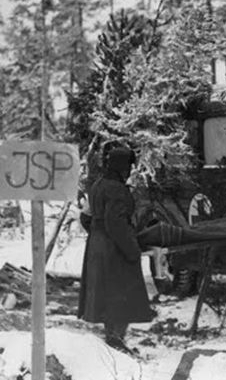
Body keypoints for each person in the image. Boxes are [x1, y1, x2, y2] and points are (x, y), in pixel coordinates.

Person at [77, 146, 152, 353]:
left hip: (97, 245)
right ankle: (116, 343)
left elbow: (85, 217)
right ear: (121, 166)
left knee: (107, 298)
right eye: (128, 166)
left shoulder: (98, 185)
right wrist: (132, 250)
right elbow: (116, 223)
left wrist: (96, 234)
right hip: (114, 249)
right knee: (121, 297)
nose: (129, 171)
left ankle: (112, 340)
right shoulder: (118, 190)